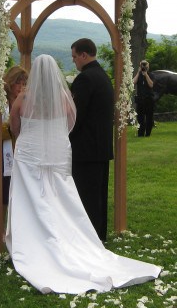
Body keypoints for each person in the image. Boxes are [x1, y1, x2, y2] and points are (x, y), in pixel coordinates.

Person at [6, 54, 160, 294]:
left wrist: (30, 135)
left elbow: (14, 126)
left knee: (32, 195)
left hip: (29, 154)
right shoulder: (64, 98)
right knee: (61, 197)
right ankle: (67, 239)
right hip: (56, 152)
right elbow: (70, 122)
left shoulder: (23, 99)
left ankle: (34, 239)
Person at [69, 38, 114, 242]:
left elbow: (76, 116)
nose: (74, 62)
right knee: (98, 197)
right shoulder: (103, 76)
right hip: (101, 147)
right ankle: (99, 235)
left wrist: (65, 133)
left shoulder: (85, 79)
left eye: (74, 57)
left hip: (86, 148)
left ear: (84, 55)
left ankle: (88, 239)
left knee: (86, 196)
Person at [0, 66, 28, 213]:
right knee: (2, 192)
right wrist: (11, 126)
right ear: (10, 82)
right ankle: (0, 228)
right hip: (3, 153)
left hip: (22, 153)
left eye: (24, 83)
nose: (21, 87)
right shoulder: (0, 103)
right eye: (18, 83)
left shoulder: (25, 102)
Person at [133, 60, 155, 137]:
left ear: (148, 67)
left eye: (145, 66)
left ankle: (148, 133)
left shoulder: (151, 74)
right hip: (140, 100)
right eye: (142, 65)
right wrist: (138, 73)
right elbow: (133, 82)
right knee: (140, 118)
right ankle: (140, 133)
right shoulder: (138, 75)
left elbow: (151, 85)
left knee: (149, 117)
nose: (144, 67)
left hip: (149, 99)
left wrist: (146, 75)